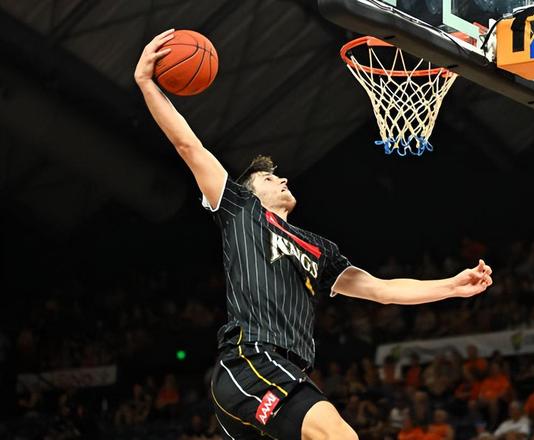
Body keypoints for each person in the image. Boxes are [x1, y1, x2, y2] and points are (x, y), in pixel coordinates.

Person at [134, 29, 494, 440]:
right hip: (251, 362)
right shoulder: (240, 209)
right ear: (250, 191)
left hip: (286, 371)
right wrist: (146, 84)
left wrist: (451, 286)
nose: (282, 178)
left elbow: (382, 290)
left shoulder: (320, 250)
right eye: (269, 178)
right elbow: (189, 146)